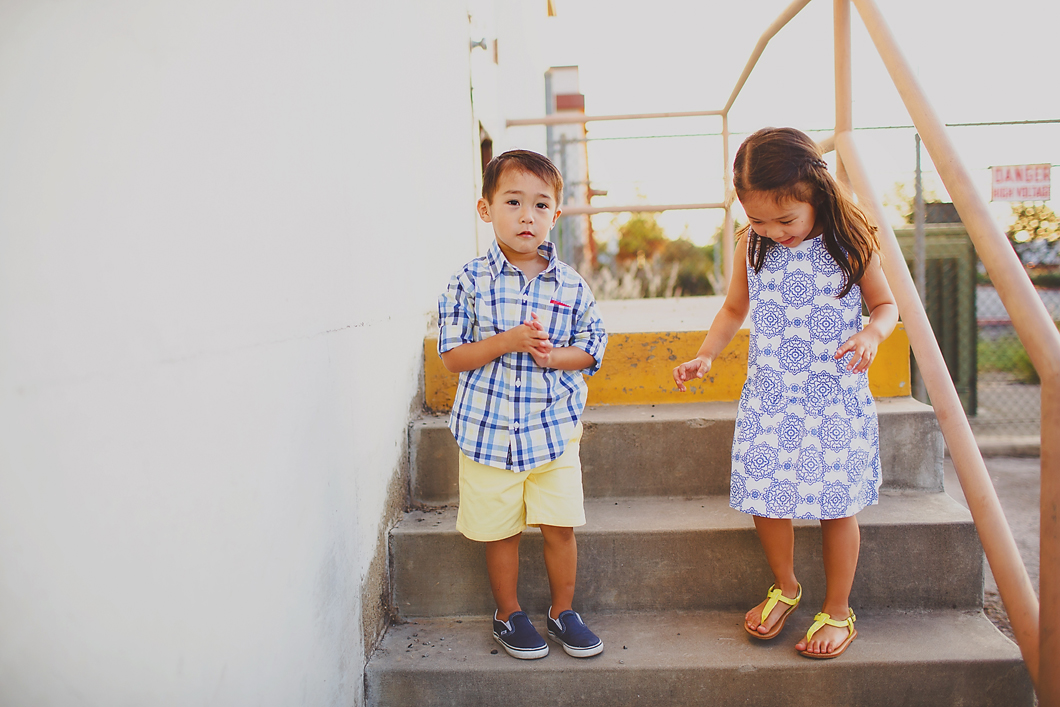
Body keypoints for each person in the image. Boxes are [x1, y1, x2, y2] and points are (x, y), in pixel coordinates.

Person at [673, 127, 898, 659]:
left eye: (785, 220)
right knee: (766, 497)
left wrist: (870, 333)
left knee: (836, 505)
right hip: (771, 396)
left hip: (832, 398)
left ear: (815, 192)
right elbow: (733, 309)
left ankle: (839, 610)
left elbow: (886, 306)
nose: (773, 231)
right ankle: (787, 587)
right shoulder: (752, 244)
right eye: (758, 220)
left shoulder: (849, 242)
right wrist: (707, 353)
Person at [437, 149, 607, 660]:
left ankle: (563, 611)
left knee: (559, 525)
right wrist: (508, 340)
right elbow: (453, 357)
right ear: (486, 209)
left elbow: (594, 345)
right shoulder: (467, 282)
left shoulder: (571, 285)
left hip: (552, 429)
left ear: (555, 215)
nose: (527, 216)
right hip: (488, 432)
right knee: (502, 531)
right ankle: (508, 613)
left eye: (540, 205)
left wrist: (556, 357)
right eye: (513, 202)